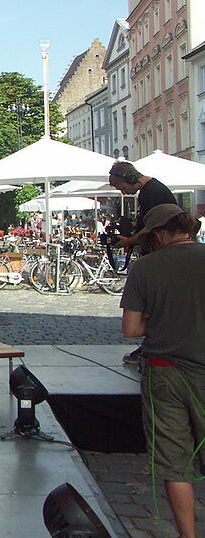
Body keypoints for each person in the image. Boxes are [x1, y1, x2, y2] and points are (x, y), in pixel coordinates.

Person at [119, 204, 205, 538]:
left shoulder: (146, 268)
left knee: (174, 464)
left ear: (158, 234)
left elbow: (130, 329)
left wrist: (165, 320)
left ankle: (187, 535)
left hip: (165, 372)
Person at [108, 161, 178, 364]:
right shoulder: (148, 192)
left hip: (160, 255)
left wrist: (130, 240)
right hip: (158, 253)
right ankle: (151, 345)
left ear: (130, 178)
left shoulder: (153, 192)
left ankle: (154, 346)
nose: (123, 193)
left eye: (121, 187)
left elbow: (153, 226)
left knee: (153, 301)